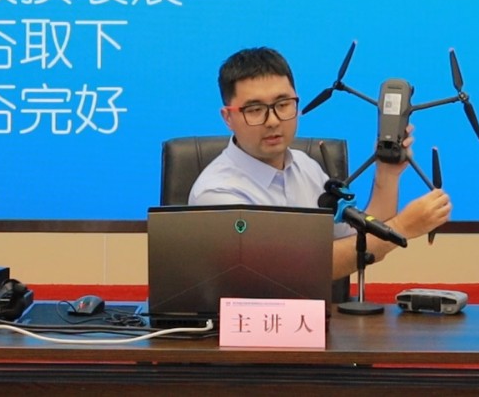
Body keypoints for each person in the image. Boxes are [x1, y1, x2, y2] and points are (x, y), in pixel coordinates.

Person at [189, 46, 453, 281]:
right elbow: (285, 272)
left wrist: (387, 174)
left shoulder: (306, 167)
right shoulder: (216, 193)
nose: (273, 121)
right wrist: (402, 227)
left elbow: (357, 240)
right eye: (255, 110)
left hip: (315, 317)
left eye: (283, 104)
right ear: (228, 117)